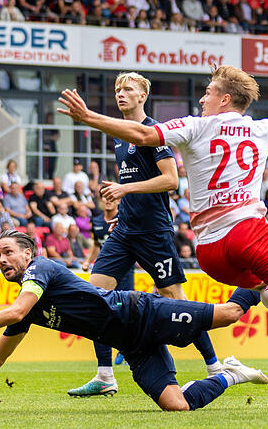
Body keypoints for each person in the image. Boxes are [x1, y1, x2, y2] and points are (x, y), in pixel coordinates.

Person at [58, 64, 268, 413]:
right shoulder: (261, 129)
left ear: (224, 99)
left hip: (210, 251)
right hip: (247, 232)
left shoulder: (193, 126)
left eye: (207, 92)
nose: (201, 99)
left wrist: (88, 117)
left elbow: (144, 135)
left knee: (261, 281)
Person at [0, 230, 268, 413]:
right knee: (175, 404)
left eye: (8, 252)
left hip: (141, 312)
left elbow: (15, 311)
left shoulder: (39, 269)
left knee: (230, 314)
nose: (1, 259)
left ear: (28, 254)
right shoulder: (27, 304)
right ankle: (231, 374)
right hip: (132, 345)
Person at [67, 72, 221, 397]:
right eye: (117, 89)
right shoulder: (119, 137)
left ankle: (215, 366)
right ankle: (105, 375)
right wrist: (123, 212)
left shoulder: (155, 134)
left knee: (176, 300)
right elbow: (134, 183)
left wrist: (125, 190)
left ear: (143, 96)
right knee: (94, 297)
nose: (120, 93)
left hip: (153, 232)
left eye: (128, 89)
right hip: (125, 230)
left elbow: (171, 180)